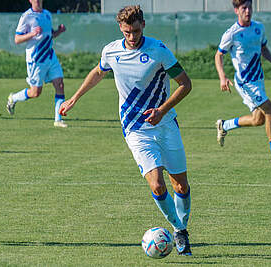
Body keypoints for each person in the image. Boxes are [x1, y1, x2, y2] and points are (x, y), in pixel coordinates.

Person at [60, 5, 193, 255]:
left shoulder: (158, 50)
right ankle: (179, 230)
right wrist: (74, 98)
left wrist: (162, 111)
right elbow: (98, 72)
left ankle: (181, 226)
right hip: (135, 129)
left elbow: (185, 84)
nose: (132, 37)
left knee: (181, 186)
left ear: (143, 24)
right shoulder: (111, 51)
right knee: (157, 185)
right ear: (120, 29)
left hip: (165, 125)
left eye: (135, 30)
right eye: (126, 32)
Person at [214, 0, 271, 162]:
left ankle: (224, 125)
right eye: (244, 8)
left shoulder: (259, 28)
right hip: (246, 82)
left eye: (249, 7)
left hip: (258, 80)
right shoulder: (232, 33)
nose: (248, 11)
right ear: (236, 10)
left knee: (258, 119)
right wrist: (222, 77)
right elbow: (219, 55)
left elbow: (263, 48)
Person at [6, 0, 67, 128]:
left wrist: (59, 32)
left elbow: (48, 35)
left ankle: (58, 119)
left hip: (50, 56)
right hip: (36, 59)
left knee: (60, 84)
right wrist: (32, 34)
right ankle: (13, 98)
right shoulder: (26, 16)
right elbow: (17, 39)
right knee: (35, 93)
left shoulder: (47, 14)